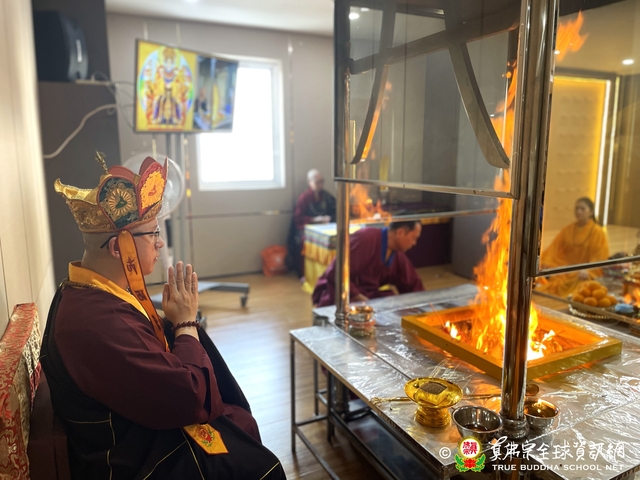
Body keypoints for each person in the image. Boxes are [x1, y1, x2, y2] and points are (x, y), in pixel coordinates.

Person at [41, 154, 285, 479]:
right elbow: (188, 400)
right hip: (132, 456)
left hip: (137, 422)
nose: (160, 243)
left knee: (237, 426)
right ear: (118, 248)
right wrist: (185, 323)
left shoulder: (85, 292)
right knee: (256, 465)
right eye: (153, 233)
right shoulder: (94, 324)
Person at [312, 221, 424, 307]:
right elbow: (336, 272)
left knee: (392, 301)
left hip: (368, 295)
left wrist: (422, 304)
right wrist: (362, 299)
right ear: (400, 233)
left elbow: (412, 283)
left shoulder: (398, 255)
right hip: (342, 292)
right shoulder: (366, 238)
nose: (414, 243)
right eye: (414, 238)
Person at [536, 197, 610, 297]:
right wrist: (547, 262)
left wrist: (588, 271)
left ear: (591, 212)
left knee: (583, 283)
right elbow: (554, 248)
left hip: (582, 271)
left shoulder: (598, 232)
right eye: (577, 208)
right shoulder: (568, 229)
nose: (578, 211)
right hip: (566, 267)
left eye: (582, 209)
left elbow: (599, 256)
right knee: (553, 273)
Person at [287, 169, 336, 278]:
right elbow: (298, 218)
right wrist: (314, 219)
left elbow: (335, 209)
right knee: (304, 240)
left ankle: (330, 272)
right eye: (316, 182)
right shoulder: (304, 197)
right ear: (309, 182)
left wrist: (328, 218)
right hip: (307, 228)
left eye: (321, 181)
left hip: (326, 227)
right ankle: (306, 274)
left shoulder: (326, 196)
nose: (320, 184)